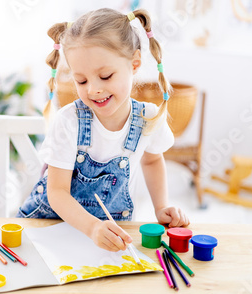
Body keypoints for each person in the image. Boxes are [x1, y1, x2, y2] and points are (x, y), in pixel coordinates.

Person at [16, 8, 190, 252]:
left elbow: (151, 162)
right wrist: (92, 228)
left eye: (106, 76)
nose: (94, 90)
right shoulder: (69, 121)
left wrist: (161, 207)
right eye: (82, 81)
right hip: (50, 229)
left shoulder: (147, 117)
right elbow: (57, 193)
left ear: (135, 63)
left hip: (109, 237)